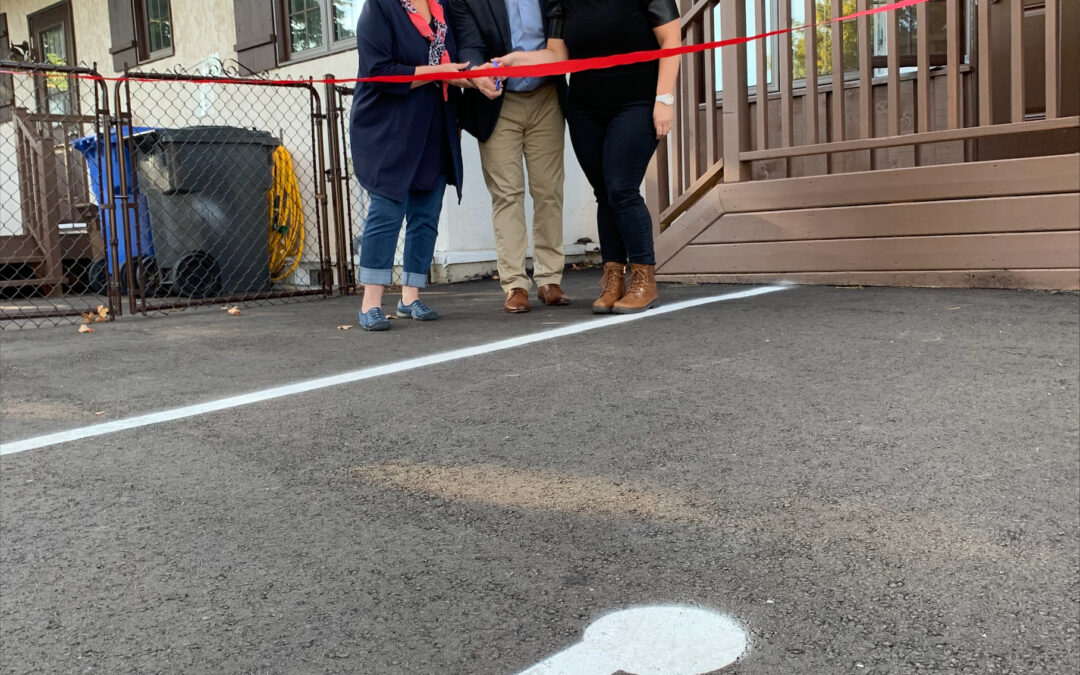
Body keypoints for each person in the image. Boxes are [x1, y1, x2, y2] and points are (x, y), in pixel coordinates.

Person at [491, 0, 680, 313]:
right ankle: (614, 280)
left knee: (622, 189)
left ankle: (644, 281)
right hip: (585, 110)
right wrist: (516, 59)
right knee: (604, 194)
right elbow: (557, 56)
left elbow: (671, 39)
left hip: (636, 104)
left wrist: (665, 98)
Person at [350, 0, 473, 330]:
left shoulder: (442, 7)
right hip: (389, 126)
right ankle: (370, 304)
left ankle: (410, 297)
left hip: (435, 122)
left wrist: (475, 79)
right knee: (388, 209)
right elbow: (379, 71)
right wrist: (439, 72)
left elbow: (456, 64)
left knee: (427, 212)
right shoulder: (380, 7)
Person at [448, 0, 571, 314]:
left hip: (546, 96)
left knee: (549, 190)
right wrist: (479, 75)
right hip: (499, 103)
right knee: (506, 194)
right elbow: (470, 46)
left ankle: (549, 279)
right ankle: (515, 284)